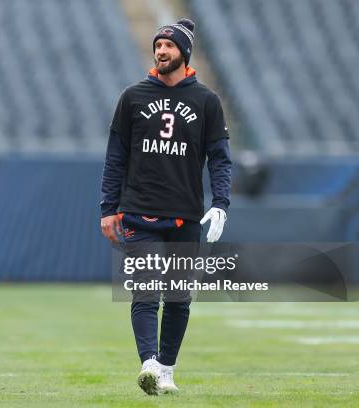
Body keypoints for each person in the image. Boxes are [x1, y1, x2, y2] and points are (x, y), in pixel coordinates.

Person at [99, 19, 232, 394]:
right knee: (146, 291)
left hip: (185, 215)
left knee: (178, 298)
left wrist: (221, 202)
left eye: (169, 46)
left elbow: (220, 158)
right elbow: (115, 158)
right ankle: (149, 364)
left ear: (184, 53)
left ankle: (167, 371)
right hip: (139, 212)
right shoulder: (133, 97)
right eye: (158, 45)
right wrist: (108, 208)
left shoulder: (206, 101)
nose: (161, 51)